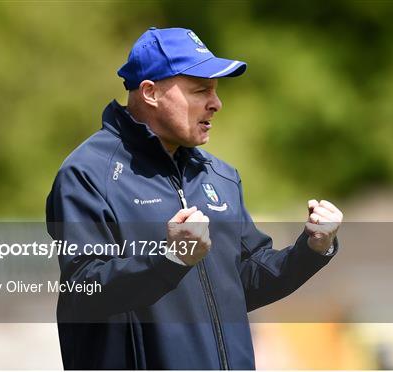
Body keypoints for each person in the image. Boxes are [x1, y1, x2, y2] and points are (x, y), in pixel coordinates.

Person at [46, 27, 343, 370]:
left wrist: (311, 250)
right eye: (201, 90)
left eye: (215, 91)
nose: (216, 104)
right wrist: (170, 259)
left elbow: (246, 282)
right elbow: (84, 291)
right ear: (150, 92)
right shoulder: (86, 175)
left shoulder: (220, 175)